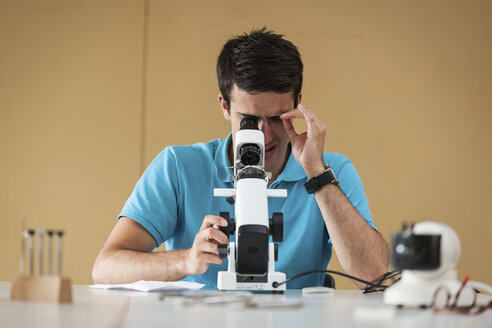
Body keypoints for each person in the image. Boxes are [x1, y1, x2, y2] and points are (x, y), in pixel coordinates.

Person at [92, 27, 389, 289]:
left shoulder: (331, 171)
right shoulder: (178, 166)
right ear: (224, 105)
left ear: (298, 103)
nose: (263, 135)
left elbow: (375, 275)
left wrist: (316, 173)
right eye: (249, 120)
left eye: (277, 118)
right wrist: (186, 261)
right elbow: (106, 267)